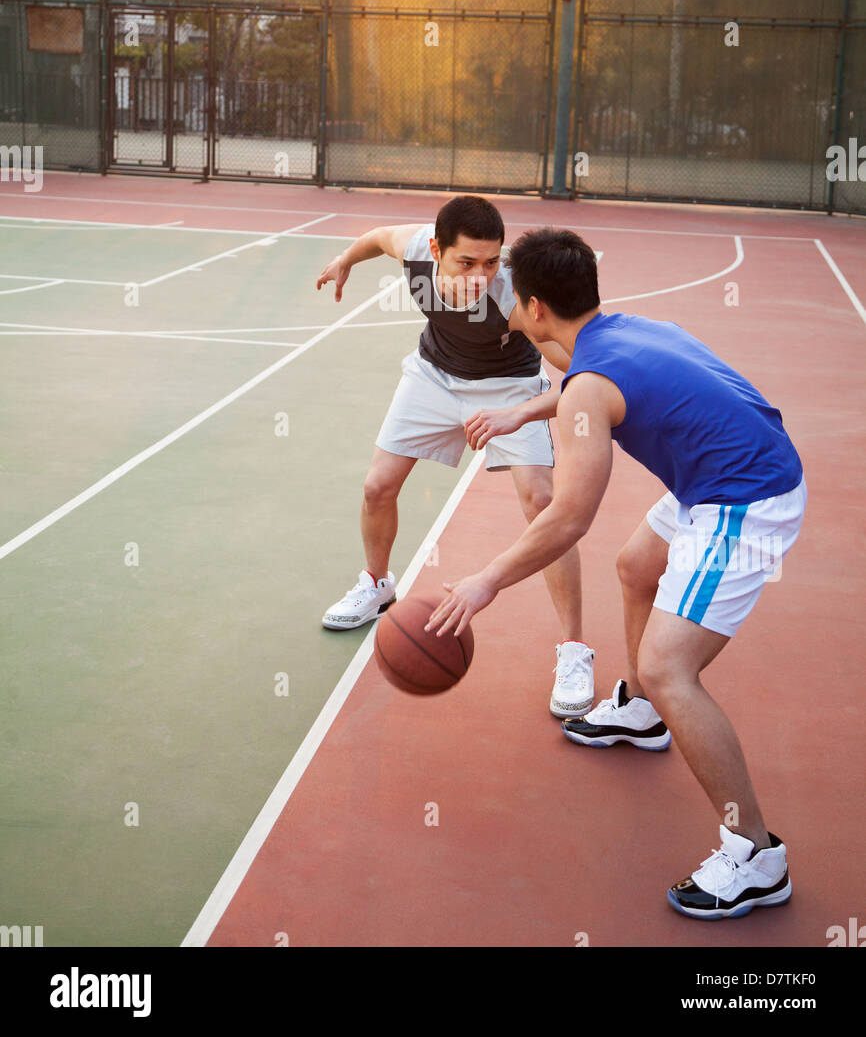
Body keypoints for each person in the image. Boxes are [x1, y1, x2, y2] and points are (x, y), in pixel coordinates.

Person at [426, 226, 806, 920]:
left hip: (745, 500)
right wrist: (524, 409)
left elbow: (570, 517)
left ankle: (756, 854)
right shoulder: (622, 331)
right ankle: (641, 716)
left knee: (670, 666)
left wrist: (485, 581)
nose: (501, 294)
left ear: (537, 307)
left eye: (511, 286)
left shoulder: (589, 383)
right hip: (724, 473)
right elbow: (586, 388)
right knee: (637, 565)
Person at [315, 195, 593, 717]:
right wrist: (345, 261)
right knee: (377, 486)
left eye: (492, 261)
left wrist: (528, 412)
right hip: (433, 375)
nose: (483, 274)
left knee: (543, 503)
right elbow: (378, 236)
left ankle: (575, 649)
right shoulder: (416, 248)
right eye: (467, 262)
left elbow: (588, 376)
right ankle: (376, 586)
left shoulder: (514, 297)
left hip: (509, 386)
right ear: (438, 249)